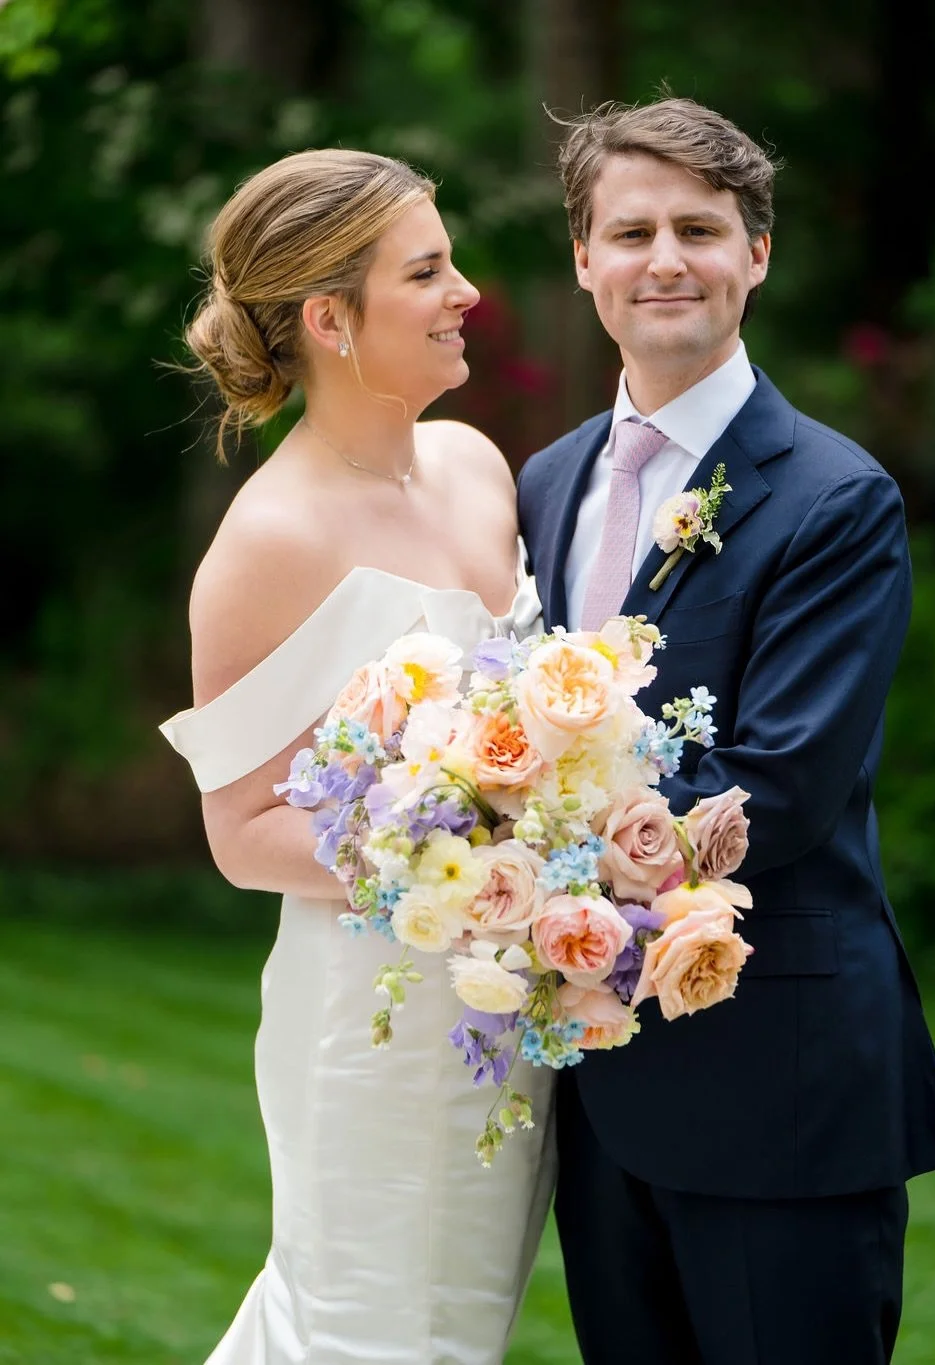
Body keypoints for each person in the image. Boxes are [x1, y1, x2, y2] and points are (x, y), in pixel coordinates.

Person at [517, 97, 935, 1365]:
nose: (665, 260)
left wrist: (519, 847)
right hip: (599, 1078)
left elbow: (779, 783)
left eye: (700, 229)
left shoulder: (835, 497)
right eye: (632, 232)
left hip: (779, 1077)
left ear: (755, 254)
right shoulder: (544, 482)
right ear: (584, 260)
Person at [159, 148, 554, 1365]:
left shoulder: (476, 466)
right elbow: (242, 835)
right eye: (426, 272)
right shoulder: (271, 540)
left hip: (505, 1010)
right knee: (365, 1334)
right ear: (331, 320)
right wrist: (467, 865)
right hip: (375, 1026)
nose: (466, 293)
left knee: (459, 1328)